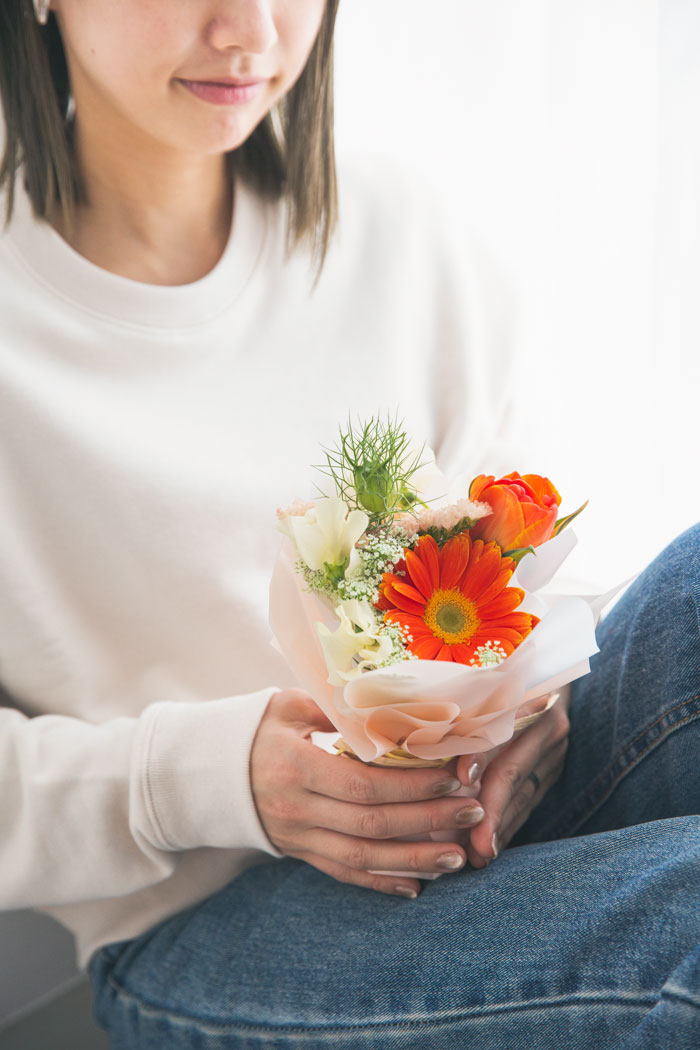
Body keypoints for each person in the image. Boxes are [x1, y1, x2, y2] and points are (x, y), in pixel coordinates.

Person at [0, 2, 698, 1047]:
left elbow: (535, 569)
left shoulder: (401, 234)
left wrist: (541, 701)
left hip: (479, 818)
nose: (250, 30)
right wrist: (208, 778)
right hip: (214, 920)